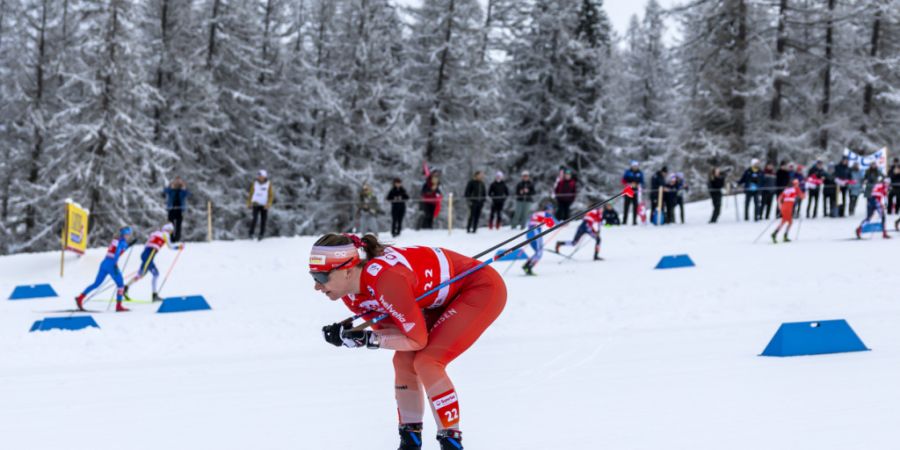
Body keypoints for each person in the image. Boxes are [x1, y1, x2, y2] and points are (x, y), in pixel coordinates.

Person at [312, 233, 506, 450]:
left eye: (321, 278)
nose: (317, 287)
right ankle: (410, 442)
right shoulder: (351, 293)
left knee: (428, 361)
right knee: (403, 361)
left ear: (347, 270)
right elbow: (395, 336)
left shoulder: (385, 281)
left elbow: (416, 339)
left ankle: (451, 442)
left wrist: (365, 339)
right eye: (313, 277)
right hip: (437, 301)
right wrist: (357, 338)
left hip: (478, 289)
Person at [74, 226, 135, 312]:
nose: (129, 236)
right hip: (111, 264)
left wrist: (129, 245)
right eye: (128, 234)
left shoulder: (116, 240)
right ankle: (119, 306)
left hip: (104, 263)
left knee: (96, 283)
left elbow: (120, 249)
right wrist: (115, 264)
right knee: (121, 285)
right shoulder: (121, 242)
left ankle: (80, 298)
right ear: (124, 234)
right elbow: (117, 253)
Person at [124, 223, 184, 302]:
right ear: (168, 230)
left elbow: (146, 245)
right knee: (156, 274)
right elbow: (170, 246)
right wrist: (179, 247)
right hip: (149, 256)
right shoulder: (165, 234)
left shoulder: (154, 233)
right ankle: (154, 295)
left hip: (145, 255)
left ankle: (125, 288)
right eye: (171, 231)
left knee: (141, 275)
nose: (171, 233)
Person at [522, 203, 557, 275]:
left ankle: (526, 266)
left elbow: (548, 223)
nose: (551, 212)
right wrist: (563, 223)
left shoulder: (538, 214)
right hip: (535, 233)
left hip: (531, 233)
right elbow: (553, 223)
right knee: (539, 253)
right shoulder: (545, 214)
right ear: (547, 210)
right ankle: (528, 267)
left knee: (538, 252)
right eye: (551, 210)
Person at [248, 169, 275, 240]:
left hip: (264, 205)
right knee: (254, 218)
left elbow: (271, 195)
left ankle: (261, 234)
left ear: (264, 177)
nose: (260, 177)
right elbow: (251, 194)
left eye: (261, 176)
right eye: (259, 176)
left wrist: (269, 203)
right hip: (255, 204)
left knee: (263, 220)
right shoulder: (254, 183)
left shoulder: (268, 184)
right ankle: (251, 233)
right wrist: (249, 203)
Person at [163, 177, 190, 242]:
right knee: (171, 225)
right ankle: (171, 238)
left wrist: (183, 188)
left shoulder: (182, 190)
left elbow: (187, 194)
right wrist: (171, 186)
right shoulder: (171, 190)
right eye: (176, 181)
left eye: (179, 181)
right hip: (171, 209)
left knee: (178, 225)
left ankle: (177, 238)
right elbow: (165, 191)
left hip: (179, 210)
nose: (177, 182)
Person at [621, 161, 644, 225]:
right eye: (634, 166)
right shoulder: (628, 172)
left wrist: (637, 185)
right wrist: (629, 184)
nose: (635, 167)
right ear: (631, 166)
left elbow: (642, 182)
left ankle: (634, 221)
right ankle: (624, 221)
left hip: (636, 191)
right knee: (626, 206)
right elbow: (623, 181)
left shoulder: (640, 172)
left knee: (635, 206)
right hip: (628, 190)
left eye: (636, 166)